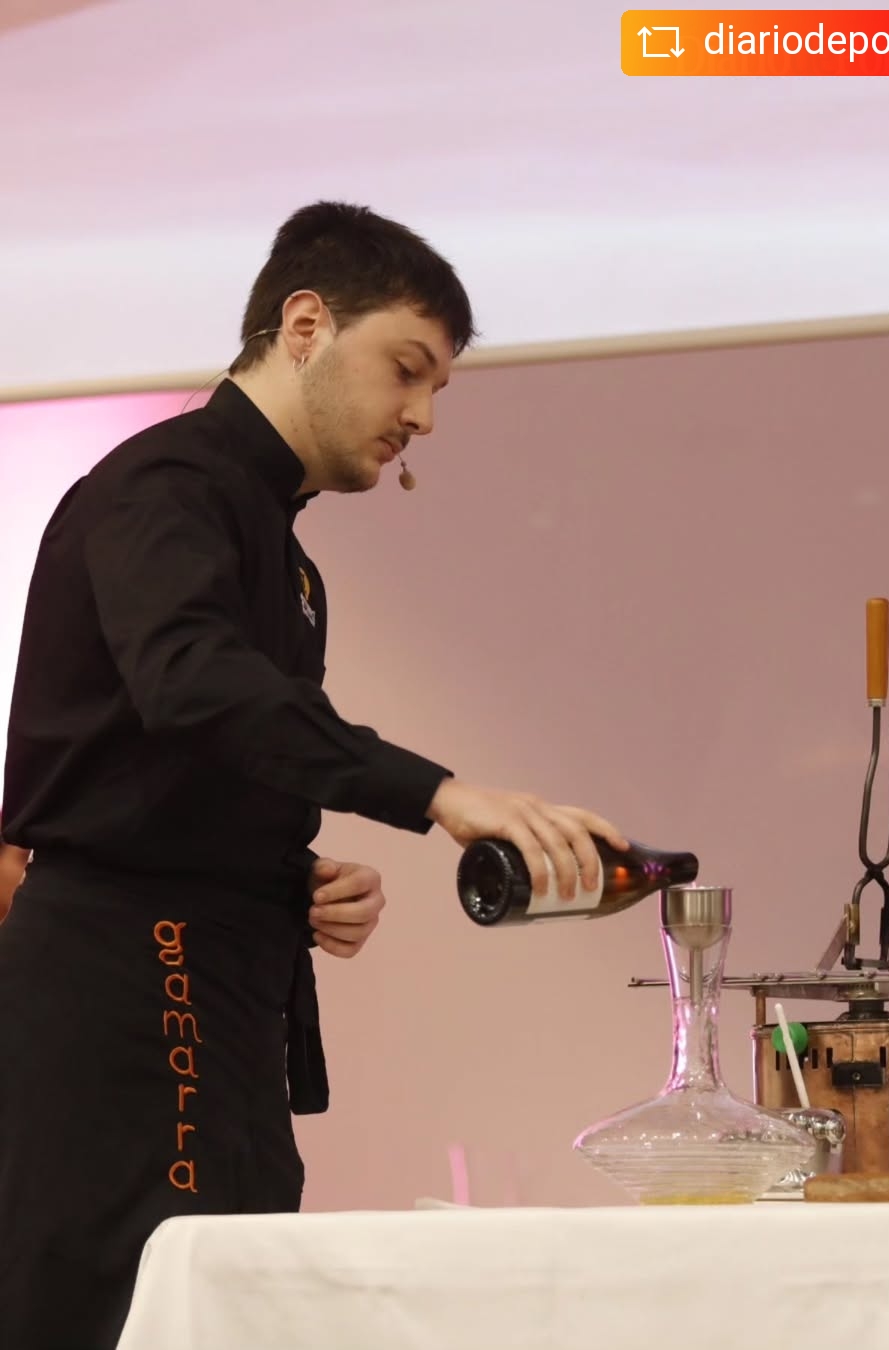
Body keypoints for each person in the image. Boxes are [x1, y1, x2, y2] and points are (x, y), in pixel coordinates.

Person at [0, 200, 627, 1350]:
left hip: (219, 987)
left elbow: (193, 751)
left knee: (233, 1309)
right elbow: (192, 683)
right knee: (127, 1312)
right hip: (128, 984)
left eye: (437, 387)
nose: (422, 415)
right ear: (304, 326)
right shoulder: (165, 485)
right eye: (407, 369)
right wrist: (435, 792)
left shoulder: (284, 559)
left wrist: (290, 872)